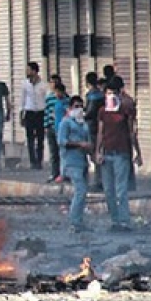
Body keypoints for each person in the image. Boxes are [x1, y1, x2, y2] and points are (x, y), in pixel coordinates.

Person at [96, 76, 142, 232]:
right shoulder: (102, 111)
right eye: (108, 93)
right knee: (108, 190)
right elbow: (100, 133)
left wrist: (138, 152)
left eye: (113, 93)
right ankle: (115, 220)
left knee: (121, 189)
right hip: (107, 153)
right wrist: (98, 151)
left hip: (121, 153)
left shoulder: (125, 110)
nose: (110, 96)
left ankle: (124, 221)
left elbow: (131, 132)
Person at [58, 96, 93, 232]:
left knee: (83, 193)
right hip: (71, 162)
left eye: (81, 107)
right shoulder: (66, 123)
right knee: (80, 191)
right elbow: (62, 142)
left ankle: (79, 221)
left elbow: (88, 142)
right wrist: (79, 144)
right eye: (76, 106)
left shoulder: (83, 125)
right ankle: (74, 222)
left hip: (83, 162)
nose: (79, 109)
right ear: (70, 108)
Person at [83, 73, 106, 192]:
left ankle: (99, 181)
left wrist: (82, 115)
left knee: (95, 154)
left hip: (93, 128)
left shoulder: (93, 96)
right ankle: (100, 180)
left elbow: (90, 112)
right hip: (100, 127)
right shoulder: (102, 95)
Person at [45, 79, 69, 183]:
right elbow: (47, 112)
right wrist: (46, 125)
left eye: (59, 92)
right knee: (54, 153)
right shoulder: (50, 99)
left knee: (63, 153)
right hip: (53, 128)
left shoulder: (67, 101)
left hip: (63, 130)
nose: (57, 94)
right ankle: (55, 173)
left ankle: (64, 174)